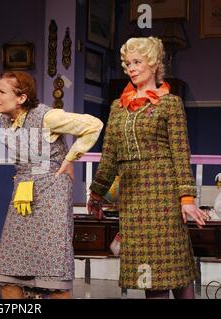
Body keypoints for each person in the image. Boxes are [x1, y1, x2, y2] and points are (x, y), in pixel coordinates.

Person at [87, 37, 209, 299]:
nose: (131, 68)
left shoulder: (169, 104)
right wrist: (96, 194)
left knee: (175, 267)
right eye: (128, 63)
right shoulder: (118, 108)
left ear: (153, 64)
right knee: (150, 276)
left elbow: (180, 152)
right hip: (132, 200)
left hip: (163, 195)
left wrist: (186, 198)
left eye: (137, 62)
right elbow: (108, 156)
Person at [0, 71, 103, 299]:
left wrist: (70, 158)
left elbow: (93, 125)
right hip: (23, 191)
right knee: (8, 274)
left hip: (51, 193)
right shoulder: (6, 118)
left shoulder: (47, 117)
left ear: (21, 98)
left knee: (54, 276)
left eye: (2, 92)